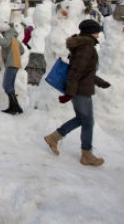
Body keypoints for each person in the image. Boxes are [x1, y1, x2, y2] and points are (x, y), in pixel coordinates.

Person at [43, 19, 111, 166]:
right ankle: (86, 154)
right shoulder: (87, 48)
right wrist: (69, 93)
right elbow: (75, 72)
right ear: (90, 32)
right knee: (87, 121)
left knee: (82, 119)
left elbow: (85, 71)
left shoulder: (84, 46)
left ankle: (54, 137)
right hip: (80, 91)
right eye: (96, 32)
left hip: (81, 88)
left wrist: (100, 82)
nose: (98, 35)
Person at [0, 23, 25, 115]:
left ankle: (16, 107)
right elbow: (22, 50)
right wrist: (14, 54)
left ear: (3, 31)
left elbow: (5, 43)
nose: (2, 34)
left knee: (7, 85)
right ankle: (14, 107)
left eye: (1, 32)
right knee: (10, 86)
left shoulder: (8, 36)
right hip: (15, 64)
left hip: (11, 64)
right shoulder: (14, 38)